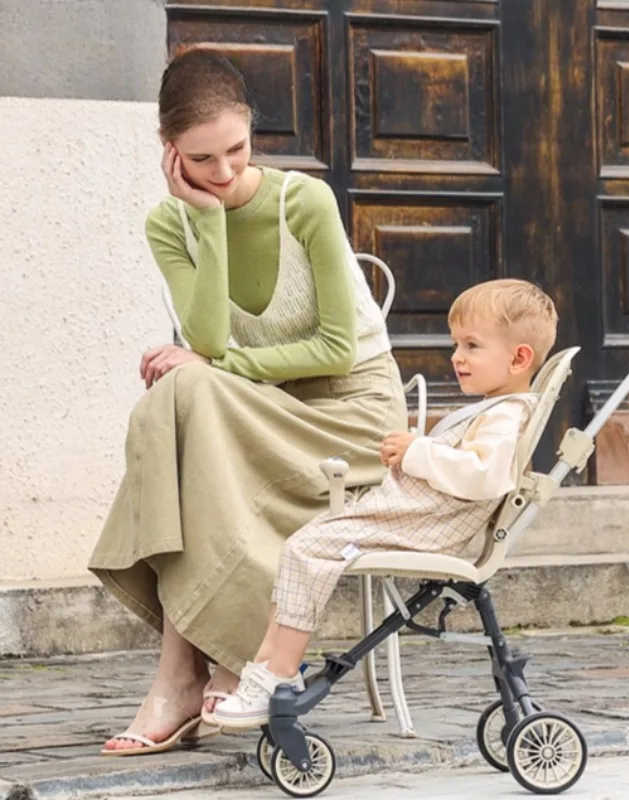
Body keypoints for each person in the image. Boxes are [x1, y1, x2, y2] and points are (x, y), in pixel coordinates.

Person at [89, 47, 408, 755]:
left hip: (349, 418)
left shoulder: (304, 201)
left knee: (190, 395)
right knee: (180, 395)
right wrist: (203, 219)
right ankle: (202, 664)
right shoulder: (169, 224)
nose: (225, 173)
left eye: (236, 150)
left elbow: (334, 350)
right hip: (253, 414)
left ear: (251, 134)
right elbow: (201, 336)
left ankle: (181, 674)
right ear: (170, 155)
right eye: (202, 161)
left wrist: (220, 364)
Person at [209, 278, 559, 729]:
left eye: (472, 345)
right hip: (415, 517)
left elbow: (483, 475)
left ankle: (278, 676)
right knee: (303, 546)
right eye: (456, 344)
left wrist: (417, 451)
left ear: (519, 358)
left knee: (307, 550)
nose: (458, 356)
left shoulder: (507, 415)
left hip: (425, 524)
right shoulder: (494, 408)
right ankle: (269, 668)